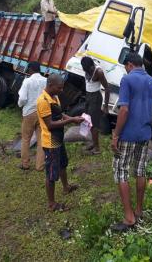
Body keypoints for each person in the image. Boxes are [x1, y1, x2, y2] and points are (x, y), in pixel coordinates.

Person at [111, 53, 152, 232]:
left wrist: (116, 135)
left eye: (125, 66)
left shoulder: (127, 80)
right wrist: (149, 122)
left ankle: (129, 217)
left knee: (121, 171)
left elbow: (124, 110)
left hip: (127, 134)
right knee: (140, 170)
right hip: (144, 134)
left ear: (129, 64)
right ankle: (139, 210)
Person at [37, 74, 84, 211]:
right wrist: (71, 121)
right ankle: (51, 204)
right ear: (50, 85)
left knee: (63, 163)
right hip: (51, 140)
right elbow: (50, 124)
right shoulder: (43, 101)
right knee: (51, 173)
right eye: (59, 88)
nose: (61, 90)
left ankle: (66, 187)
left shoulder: (54, 97)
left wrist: (73, 117)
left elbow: (59, 114)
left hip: (58, 137)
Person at [18, 61, 47, 171]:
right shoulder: (46, 81)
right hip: (42, 113)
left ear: (30, 69)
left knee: (26, 139)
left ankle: (25, 164)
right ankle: (40, 166)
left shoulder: (27, 81)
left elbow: (22, 98)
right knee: (41, 140)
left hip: (29, 113)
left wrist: (20, 105)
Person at [80, 57, 110, 155]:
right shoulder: (87, 69)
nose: (90, 70)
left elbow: (107, 88)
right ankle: (93, 143)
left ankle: (97, 148)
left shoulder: (98, 72)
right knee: (86, 120)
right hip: (88, 96)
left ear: (92, 65)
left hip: (96, 98)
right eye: (87, 69)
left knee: (94, 125)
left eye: (91, 68)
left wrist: (105, 106)